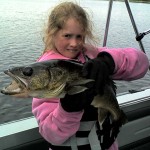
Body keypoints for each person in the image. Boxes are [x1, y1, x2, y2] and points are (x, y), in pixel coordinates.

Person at [32, 2, 149, 150]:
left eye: (79, 36)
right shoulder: (45, 75)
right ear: (52, 33)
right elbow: (51, 135)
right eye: (67, 36)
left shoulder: (93, 55)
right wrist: (68, 110)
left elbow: (143, 63)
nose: (74, 43)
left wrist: (109, 62)